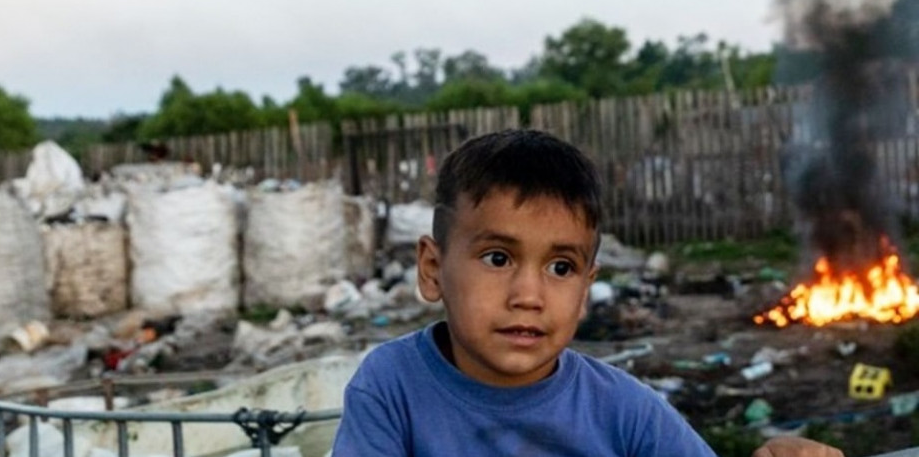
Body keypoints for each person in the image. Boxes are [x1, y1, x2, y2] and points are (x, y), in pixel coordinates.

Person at [332, 130, 842, 457]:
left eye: (560, 266)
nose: (528, 294)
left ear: (585, 292)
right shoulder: (391, 387)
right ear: (433, 269)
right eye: (497, 258)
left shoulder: (625, 412)